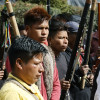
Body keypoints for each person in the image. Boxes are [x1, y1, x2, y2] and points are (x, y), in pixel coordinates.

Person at [24, 7, 61, 100]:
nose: (44, 32)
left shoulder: (48, 52)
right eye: (40, 28)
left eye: (46, 28)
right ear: (28, 29)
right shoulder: (19, 52)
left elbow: (56, 83)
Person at [0, 35, 47, 100]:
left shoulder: (31, 85)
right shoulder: (11, 93)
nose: (42, 69)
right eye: (36, 64)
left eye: (41, 63)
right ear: (19, 63)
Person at [66, 21, 93, 100]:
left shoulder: (80, 53)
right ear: (68, 34)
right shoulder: (63, 54)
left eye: (81, 35)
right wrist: (79, 72)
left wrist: (90, 76)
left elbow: (87, 70)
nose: (81, 38)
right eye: (77, 35)